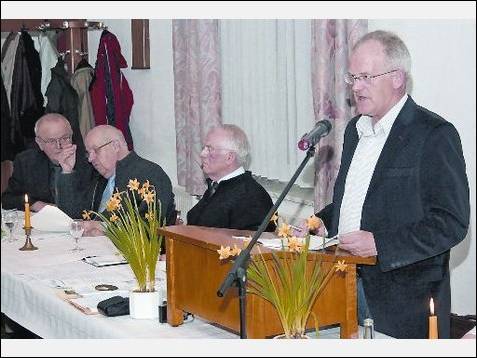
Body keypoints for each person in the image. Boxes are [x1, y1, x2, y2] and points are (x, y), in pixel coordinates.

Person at [314, 30, 469, 338]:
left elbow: (451, 223)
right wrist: (320, 221)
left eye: (366, 77)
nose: (356, 87)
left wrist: (380, 244)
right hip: (343, 283)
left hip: (402, 301)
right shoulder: (354, 132)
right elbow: (355, 202)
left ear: (397, 78)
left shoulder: (434, 134)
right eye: (353, 77)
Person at [56, 125, 176, 235]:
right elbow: (73, 216)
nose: (90, 159)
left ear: (116, 145)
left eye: (95, 150)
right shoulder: (99, 178)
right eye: (88, 153)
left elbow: (150, 226)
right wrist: (67, 171)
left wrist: (102, 227)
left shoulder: (149, 173)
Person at [187, 124, 275, 232]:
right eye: (204, 148)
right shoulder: (218, 186)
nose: (202, 154)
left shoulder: (251, 197)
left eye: (209, 149)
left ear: (229, 157)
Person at [1, 113, 92, 213]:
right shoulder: (26, 162)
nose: (59, 146)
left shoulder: (87, 161)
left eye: (65, 138)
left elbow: (87, 208)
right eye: (51, 141)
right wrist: (35, 204)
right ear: (39, 143)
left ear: (71, 136)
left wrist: (67, 172)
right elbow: (7, 199)